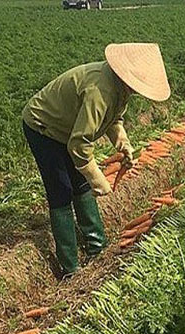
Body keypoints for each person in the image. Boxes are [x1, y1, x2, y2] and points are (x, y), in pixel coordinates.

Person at [22, 43, 170, 276]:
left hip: (68, 127)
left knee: (80, 183)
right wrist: (98, 178)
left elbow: (113, 118)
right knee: (61, 190)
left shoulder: (119, 87)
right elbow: (79, 144)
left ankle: (96, 246)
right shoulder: (100, 91)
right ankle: (69, 266)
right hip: (44, 127)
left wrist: (123, 142)